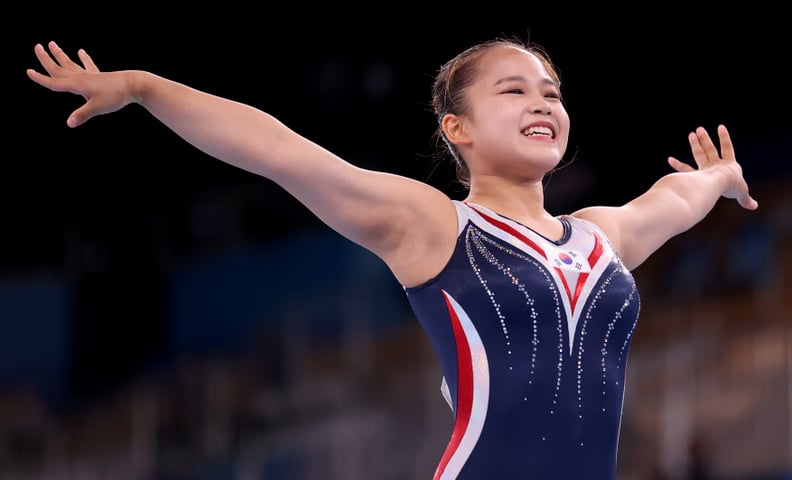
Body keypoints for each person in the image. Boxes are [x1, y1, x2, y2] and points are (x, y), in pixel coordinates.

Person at [26, 37, 758, 479]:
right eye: (514, 90)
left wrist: (719, 179)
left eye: (553, 92)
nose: (543, 102)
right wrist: (147, 89)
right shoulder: (432, 224)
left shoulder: (604, 236)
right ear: (457, 128)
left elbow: (675, 196)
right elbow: (281, 150)